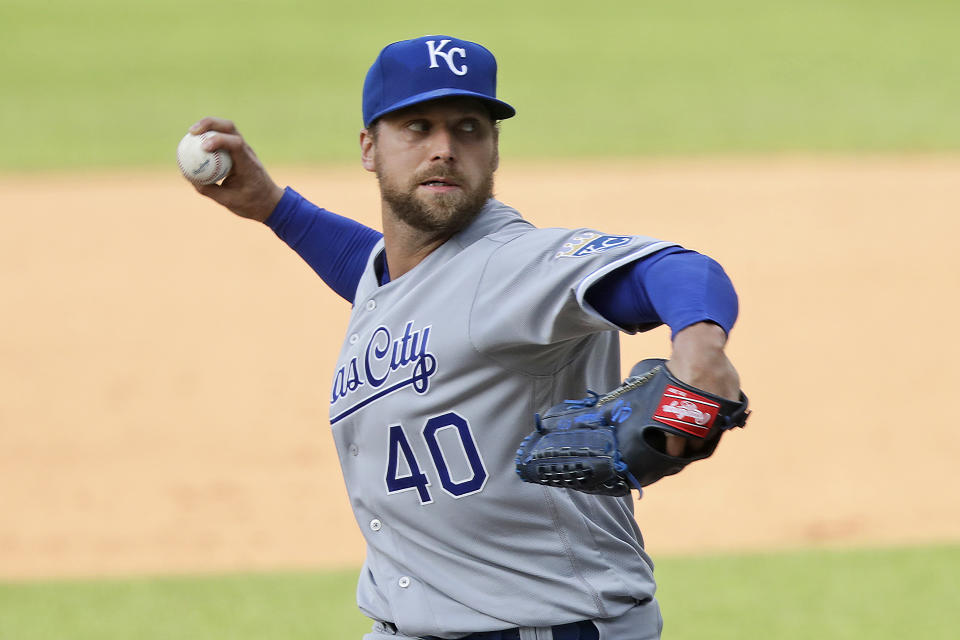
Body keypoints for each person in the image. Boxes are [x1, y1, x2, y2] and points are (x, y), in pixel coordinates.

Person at [189, 35, 742, 640]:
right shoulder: (406, 272)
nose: (445, 149)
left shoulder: (517, 265)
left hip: (547, 627)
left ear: (495, 148)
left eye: (469, 128)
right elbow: (379, 273)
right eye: (418, 127)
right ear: (370, 148)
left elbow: (678, 270)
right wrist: (274, 206)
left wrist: (700, 344)